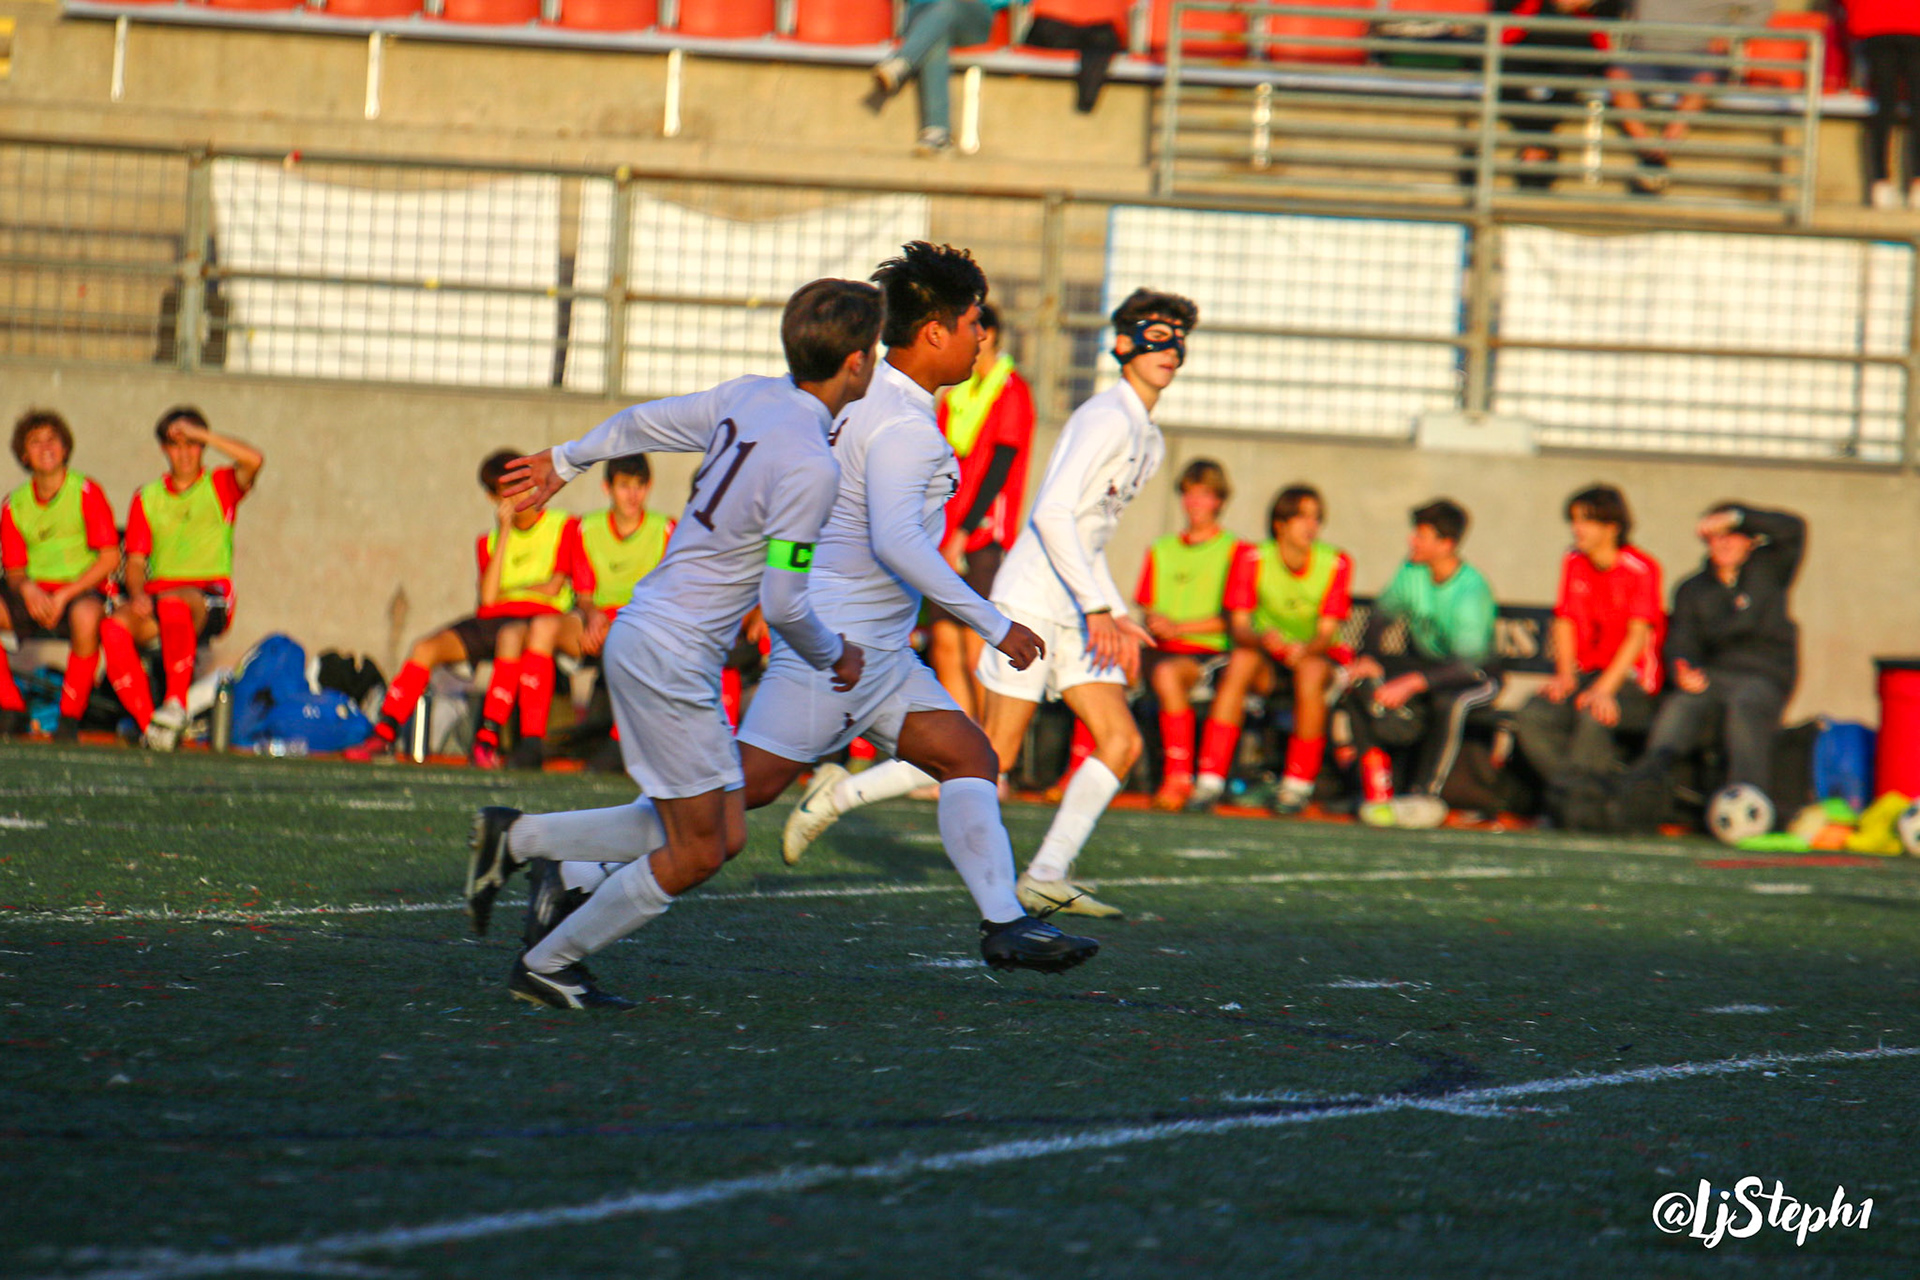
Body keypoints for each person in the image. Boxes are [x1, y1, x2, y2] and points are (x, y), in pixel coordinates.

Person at [511, 244, 1095, 982]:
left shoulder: (856, 393)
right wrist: (995, 624)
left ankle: (1004, 923)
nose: (985, 336)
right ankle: (560, 860)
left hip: (875, 651)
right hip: (840, 654)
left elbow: (666, 420)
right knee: (732, 799)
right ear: (936, 332)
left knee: (967, 756)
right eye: (974, 321)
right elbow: (896, 541)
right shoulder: (904, 426)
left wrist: (570, 456)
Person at [462, 277, 875, 1010]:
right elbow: (784, 603)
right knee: (700, 848)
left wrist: (569, 457)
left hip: (651, 635)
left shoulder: (750, 395)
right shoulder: (814, 465)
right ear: (856, 362)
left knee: (723, 830)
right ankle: (548, 963)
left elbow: (644, 421)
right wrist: (834, 654)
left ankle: (518, 839)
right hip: (671, 654)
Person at [785, 287, 1198, 920]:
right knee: (988, 754)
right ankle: (837, 796)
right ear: (1123, 344)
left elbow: (1091, 534)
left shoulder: (1152, 437)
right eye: (1156, 333)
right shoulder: (1106, 417)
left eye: (1179, 337)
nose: (1169, 348)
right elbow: (1052, 514)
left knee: (1120, 741)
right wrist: (1098, 608)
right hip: (1035, 598)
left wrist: (1112, 611)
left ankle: (1047, 874)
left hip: (1078, 606)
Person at [344, 450, 595, 768]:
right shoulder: (488, 541)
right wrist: (505, 533)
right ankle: (384, 733)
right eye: (506, 491)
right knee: (424, 648)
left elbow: (554, 587)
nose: (519, 496)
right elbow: (488, 600)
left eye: (522, 485)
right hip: (493, 619)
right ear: (494, 498)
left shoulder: (563, 525)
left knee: (510, 636)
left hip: (537, 619)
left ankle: (487, 740)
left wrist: (512, 591)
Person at [1620, 502, 1804, 819]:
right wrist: (1682, 669)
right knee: (1680, 706)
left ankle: (1747, 801)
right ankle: (1646, 789)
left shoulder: (1769, 570)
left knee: (1745, 706)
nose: (1723, 543)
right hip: (1715, 676)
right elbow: (1681, 642)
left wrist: (1738, 517)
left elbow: (1794, 529)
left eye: (1731, 535)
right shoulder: (1692, 589)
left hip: (1764, 675)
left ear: (1750, 541)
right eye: (1716, 537)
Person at [100, 407, 263, 751]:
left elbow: (254, 459)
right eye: (176, 445)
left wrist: (201, 433)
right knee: (113, 627)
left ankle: (175, 703)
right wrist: (137, 593)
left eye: (193, 444)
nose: (185, 453)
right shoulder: (147, 497)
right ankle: (151, 727)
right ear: (164, 449)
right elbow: (135, 562)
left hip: (208, 596)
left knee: (174, 603)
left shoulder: (219, 485)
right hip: (158, 596)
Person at [1344, 499, 1499, 829]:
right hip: (1427, 667)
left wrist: (1412, 682)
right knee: (1358, 683)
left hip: (1475, 675)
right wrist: (1369, 658)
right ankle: (1376, 789)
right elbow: (1381, 616)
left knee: (1450, 703)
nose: (1411, 540)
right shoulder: (1412, 570)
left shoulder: (1470, 589)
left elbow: (1466, 664)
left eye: (1422, 535)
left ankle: (1428, 795)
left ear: (1446, 544)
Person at [511, 454, 670, 771]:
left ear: (649, 487)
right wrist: (594, 614)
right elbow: (584, 595)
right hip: (595, 620)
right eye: (624, 486)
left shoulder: (665, 529)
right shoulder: (586, 527)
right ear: (606, 488)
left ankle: (621, 742)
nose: (632, 495)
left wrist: (621, 620)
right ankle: (531, 741)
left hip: (640, 622)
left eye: (639, 486)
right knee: (542, 628)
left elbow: (667, 595)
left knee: (634, 635)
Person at [1513, 485, 1664, 811]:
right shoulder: (1574, 561)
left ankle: (1584, 804)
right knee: (1533, 714)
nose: (1576, 529)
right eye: (1574, 520)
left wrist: (1604, 689)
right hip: (1587, 675)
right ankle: (1575, 795)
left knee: (1593, 714)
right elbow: (1565, 621)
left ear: (1612, 527)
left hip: (1631, 682)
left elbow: (1637, 637)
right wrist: (1564, 675)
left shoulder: (1641, 569)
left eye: (1586, 521)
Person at [1213, 483, 1355, 816]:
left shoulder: (1335, 562)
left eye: (1316, 518)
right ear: (1280, 524)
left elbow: (1326, 635)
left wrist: (1305, 649)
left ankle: (1297, 786)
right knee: (1241, 660)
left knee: (1310, 671)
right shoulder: (1252, 557)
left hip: (1314, 662)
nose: (1311, 526)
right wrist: (1264, 639)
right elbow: (1240, 626)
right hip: (1266, 662)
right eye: (1302, 517)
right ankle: (1210, 779)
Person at [925, 300, 1034, 722]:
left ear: (987, 335)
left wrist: (964, 532)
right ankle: (963, 747)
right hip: (945, 531)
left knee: (976, 648)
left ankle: (991, 749)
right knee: (944, 644)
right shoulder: (956, 394)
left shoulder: (1011, 390)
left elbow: (1000, 467)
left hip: (982, 535)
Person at [0, 410, 121, 741]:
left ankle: (69, 716)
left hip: (81, 591)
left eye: (52, 439)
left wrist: (65, 594)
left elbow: (110, 557)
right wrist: (28, 589)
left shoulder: (85, 491)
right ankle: (10, 707)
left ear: (65, 447)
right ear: (24, 455)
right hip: (36, 595)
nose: (45, 447)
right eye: (35, 442)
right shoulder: (14, 504)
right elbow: (14, 571)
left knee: (87, 618)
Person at [1133, 459, 1247, 812]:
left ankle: (1179, 776)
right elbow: (1147, 604)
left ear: (1219, 501)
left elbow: (1234, 621)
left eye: (1204, 495)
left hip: (1206, 655)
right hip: (1160, 646)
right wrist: (1155, 621)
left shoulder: (1236, 550)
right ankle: (1083, 769)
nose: (1195, 503)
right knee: (1105, 663)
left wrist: (1179, 628)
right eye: (1189, 494)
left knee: (1167, 674)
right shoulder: (1161, 548)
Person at [1607, 0, 1765, 196]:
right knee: (1616, 77)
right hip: (1643, 54)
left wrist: (1732, 34)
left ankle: (1662, 151)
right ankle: (1649, 150)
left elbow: (1761, 6)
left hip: (1699, 55)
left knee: (1704, 82)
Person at [1494, 0, 1625, 190]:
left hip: (1569, 48)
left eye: (1529, 159)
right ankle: (1537, 149)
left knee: (1566, 77)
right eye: (1538, 159)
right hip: (1540, 45)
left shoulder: (1516, 112)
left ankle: (1534, 155)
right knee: (1507, 75)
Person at [865, 0, 1012, 157]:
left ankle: (901, 63)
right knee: (938, 37)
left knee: (946, 8)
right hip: (924, 12)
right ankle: (938, 136)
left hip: (972, 16)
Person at [1848, 0, 1920, 209]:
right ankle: (1916, 183)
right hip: (1913, 24)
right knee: (1917, 106)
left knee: (1884, 105)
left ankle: (1880, 182)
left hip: (1874, 23)